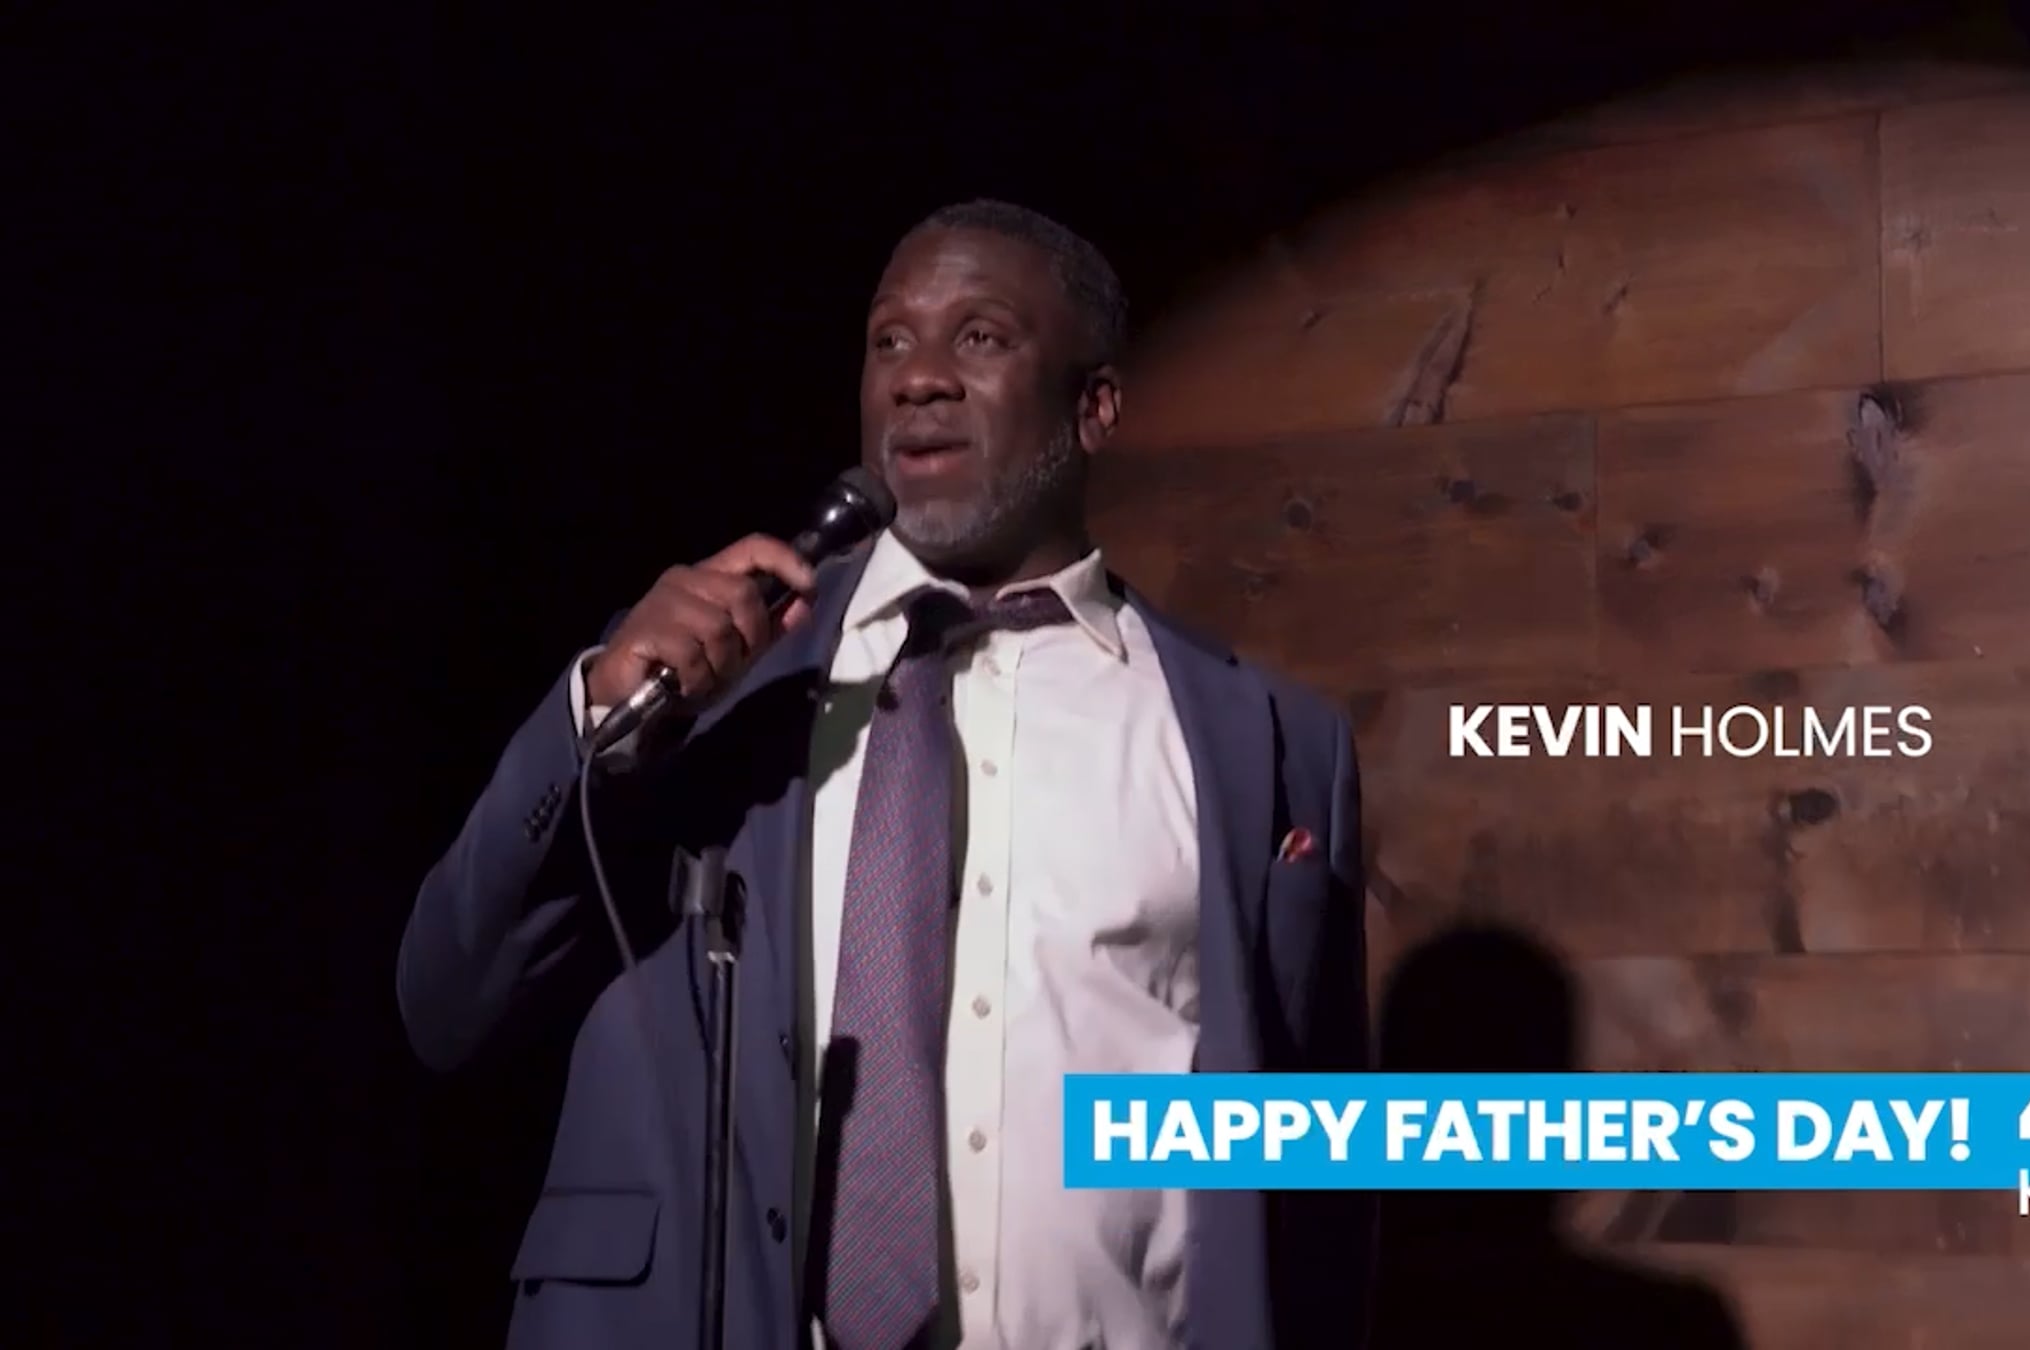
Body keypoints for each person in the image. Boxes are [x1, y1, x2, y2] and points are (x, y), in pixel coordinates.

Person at [397, 199, 1374, 1350]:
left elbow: (1306, 1180)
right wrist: (595, 717)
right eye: (889, 341)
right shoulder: (703, 692)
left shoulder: (1265, 743)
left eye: (980, 336)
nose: (918, 378)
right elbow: (445, 1000)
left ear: (1096, 406)